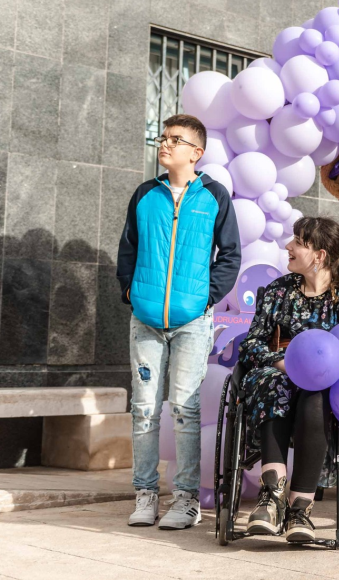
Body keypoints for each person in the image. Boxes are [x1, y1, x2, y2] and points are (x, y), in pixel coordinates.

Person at [117, 114, 240, 530]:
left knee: (186, 410)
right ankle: (145, 494)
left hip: (192, 320)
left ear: (196, 152)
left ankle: (186, 500)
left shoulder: (214, 196)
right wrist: (129, 292)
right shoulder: (145, 194)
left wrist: (206, 297)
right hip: (146, 318)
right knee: (145, 410)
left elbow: (231, 254)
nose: (165, 144)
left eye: (175, 139)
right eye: (163, 138)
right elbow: (127, 251)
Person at [239, 217, 339, 543]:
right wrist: (280, 362)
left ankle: (300, 509)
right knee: (271, 384)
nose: (288, 246)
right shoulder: (279, 291)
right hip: (279, 371)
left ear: (319, 255)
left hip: (325, 380)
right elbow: (252, 343)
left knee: (317, 396)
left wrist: (319, 371)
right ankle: (272, 496)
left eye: (298, 242)